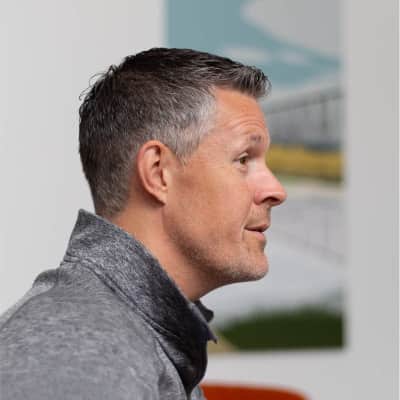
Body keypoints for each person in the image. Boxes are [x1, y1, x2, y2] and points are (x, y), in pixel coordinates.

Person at [0, 48, 286, 399]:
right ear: (158, 172)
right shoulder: (77, 348)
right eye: (243, 159)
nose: (276, 190)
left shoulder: (115, 338)